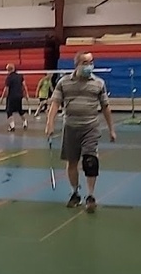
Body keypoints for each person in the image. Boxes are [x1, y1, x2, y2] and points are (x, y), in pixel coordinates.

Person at [45, 51, 116, 212]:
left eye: (91, 62)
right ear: (76, 64)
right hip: (70, 127)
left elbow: (106, 107)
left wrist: (112, 129)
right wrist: (50, 124)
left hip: (90, 127)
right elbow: (55, 104)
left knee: (90, 161)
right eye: (85, 62)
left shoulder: (99, 83)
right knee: (72, 162)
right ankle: (75, 192)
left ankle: (90, 195)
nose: (89, 66)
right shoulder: (64, 82)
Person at [1, 63, 27, 132]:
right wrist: (26, 95)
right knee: (20, 110)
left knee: (9, 111)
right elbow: (24, 86)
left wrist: (2, 97)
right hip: (19, 96)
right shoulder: (20, 76)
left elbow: (6, 89)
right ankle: (25, 122)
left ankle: (12, 126)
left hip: (11, 97)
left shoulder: (8, 78)